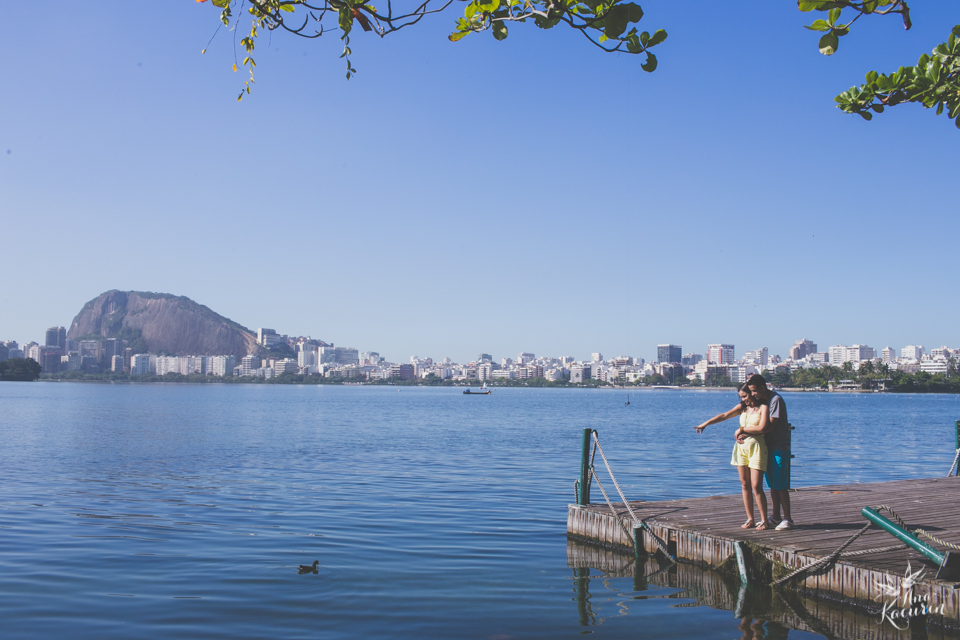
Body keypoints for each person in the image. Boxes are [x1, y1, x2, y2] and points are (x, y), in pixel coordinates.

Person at [695, 383, 770, 530]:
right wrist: (706, 423)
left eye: (745, 396)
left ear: (752, 393)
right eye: (741, 397)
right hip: (741, 448)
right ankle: (750, 518)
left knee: (756, 486)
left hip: (757, 448)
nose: (743, 400)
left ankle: (764, 519)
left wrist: (742, 429)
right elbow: (724, 415)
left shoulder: (763, 408)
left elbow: (762, 427)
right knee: (744, 484)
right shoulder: (742, 408)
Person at [744, 373, 794, 531]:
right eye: (751, 391)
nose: (753, 394)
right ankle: (776, 516)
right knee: (772, 484)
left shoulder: (775, 400)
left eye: (754, 391)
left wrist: (747, 431)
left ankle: (788, 518)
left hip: (779, 446)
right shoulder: (764, 401)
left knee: (781, 484)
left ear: (762, 387)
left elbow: (770, 426)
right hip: (768, 447)